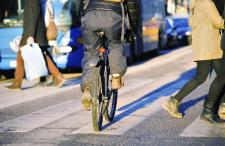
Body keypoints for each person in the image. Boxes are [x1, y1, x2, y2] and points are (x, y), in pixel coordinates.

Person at [163, 0, 224, 123]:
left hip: (204, 45)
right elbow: (219, 22)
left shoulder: (196, 3)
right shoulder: (207, 2)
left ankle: (217, 106)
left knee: (217, 76)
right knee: (206, 77)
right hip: (210, 45)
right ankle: (174, 101)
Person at [6, 0, 66, 91]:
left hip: (32, 32)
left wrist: (30, 34)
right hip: (34, 30)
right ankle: (17, 83)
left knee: (35, 54)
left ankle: (58, 76)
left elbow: (32, 15)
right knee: (22, 54)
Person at [80, 0, 128, 110]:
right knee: (115, 44)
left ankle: (87, 88)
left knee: (90, 52)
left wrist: (83, 15)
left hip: (90, 14)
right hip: (113, 15)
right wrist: (133, 29)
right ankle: (116, 77)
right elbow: (133, 5)